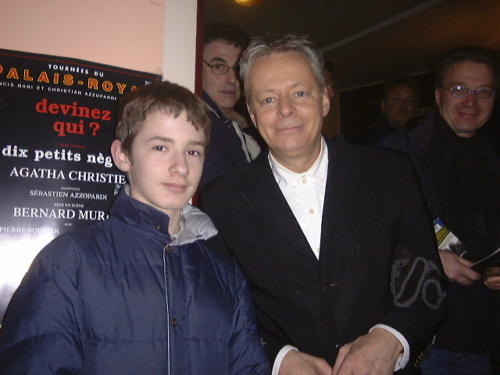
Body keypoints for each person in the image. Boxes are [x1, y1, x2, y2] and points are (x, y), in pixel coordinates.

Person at [201, 34, 446, 375]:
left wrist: (393, 338)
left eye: (300, 93)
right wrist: (278, 357)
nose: (285, 109)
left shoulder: (390, 173)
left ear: (325, 100)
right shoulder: (221, 200)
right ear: (253, 115)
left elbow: (426, 281)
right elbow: (222, 305)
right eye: (268, 99)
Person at [0, 81, 269, 375]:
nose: (180, 167)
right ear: (122, 155)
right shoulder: (68, 262)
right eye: (160, 147)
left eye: (193, 151)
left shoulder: (226, 274)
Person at [379, 46, 500, 375]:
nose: (471, 101)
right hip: (422, 338)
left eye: (483, 91)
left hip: (482, 338)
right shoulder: (397, 153)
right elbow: (366, 237)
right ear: (438, 95)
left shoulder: (493, 162)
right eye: (459, 89)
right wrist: (429, 258)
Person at [200, 22, 260, 188]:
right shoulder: (200, 126)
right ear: (197, 68)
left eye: (238, 69)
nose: (233, 80)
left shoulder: (233, 126)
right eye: (219, 66)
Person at [360, 78, 419, 145]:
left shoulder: (416, 138)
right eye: (397, 99)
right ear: (383, 105)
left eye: (409, 100)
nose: (404, 105)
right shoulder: (377, 135)